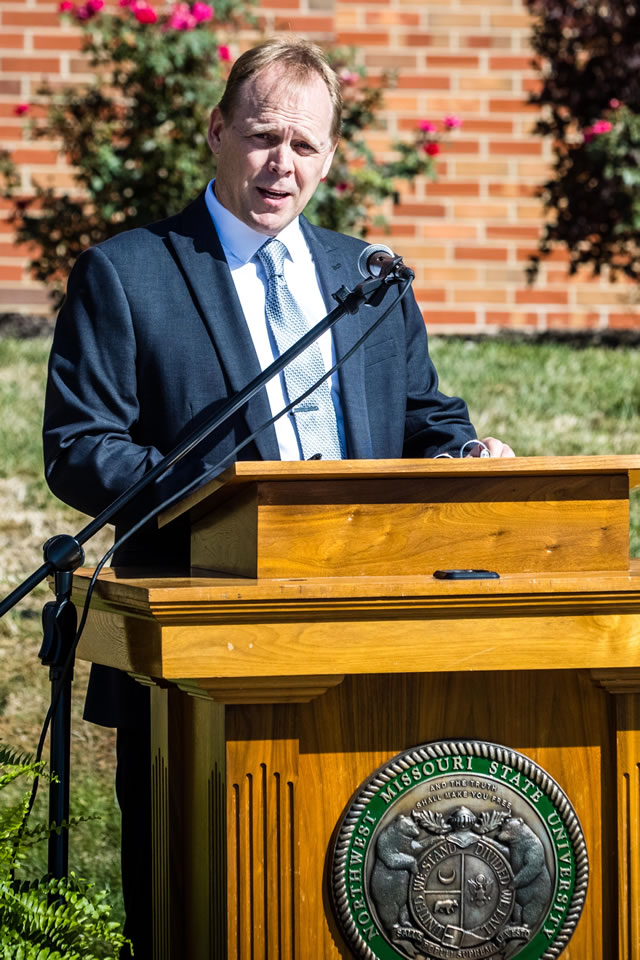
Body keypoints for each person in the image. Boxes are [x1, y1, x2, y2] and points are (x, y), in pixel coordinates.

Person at [42, 36, 514, 958]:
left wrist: (464, 448)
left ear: (330, 155)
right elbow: (78, 447)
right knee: (202, 909)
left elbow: (422, 414)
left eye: (304, 145)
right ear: (217, 131)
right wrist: (219, 495)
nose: (280, 165)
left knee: (352, 898)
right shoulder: (129, 273)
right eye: (262, 137)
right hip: (199, 641)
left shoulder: (369, 279)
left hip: (362, 633)